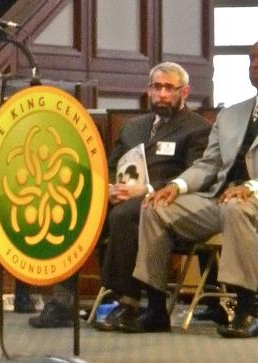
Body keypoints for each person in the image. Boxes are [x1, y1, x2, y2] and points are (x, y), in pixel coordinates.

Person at [30, 62, 212, 329]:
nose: (162, 94)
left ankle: (126, 302)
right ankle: (63, 301)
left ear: (185, 92)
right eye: (157, 87)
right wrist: (109, 189)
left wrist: (147, 190)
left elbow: (193, 175)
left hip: (164, 201)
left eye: (169, 89)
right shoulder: (133, 127)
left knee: (124, 215)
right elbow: (111, 166)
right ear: (148, 90)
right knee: (76, 209)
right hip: (123, 196)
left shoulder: (198, 129)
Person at [130, 42, 258, 338]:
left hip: (247, 200)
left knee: (236, 207)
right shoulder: (232, 114)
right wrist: (176, 186)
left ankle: (247, 309)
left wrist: (249, 187)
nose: (254, 64)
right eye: (251, 59)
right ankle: (156, 309)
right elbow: (210, 162)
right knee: (155, 207)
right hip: (219, 199)